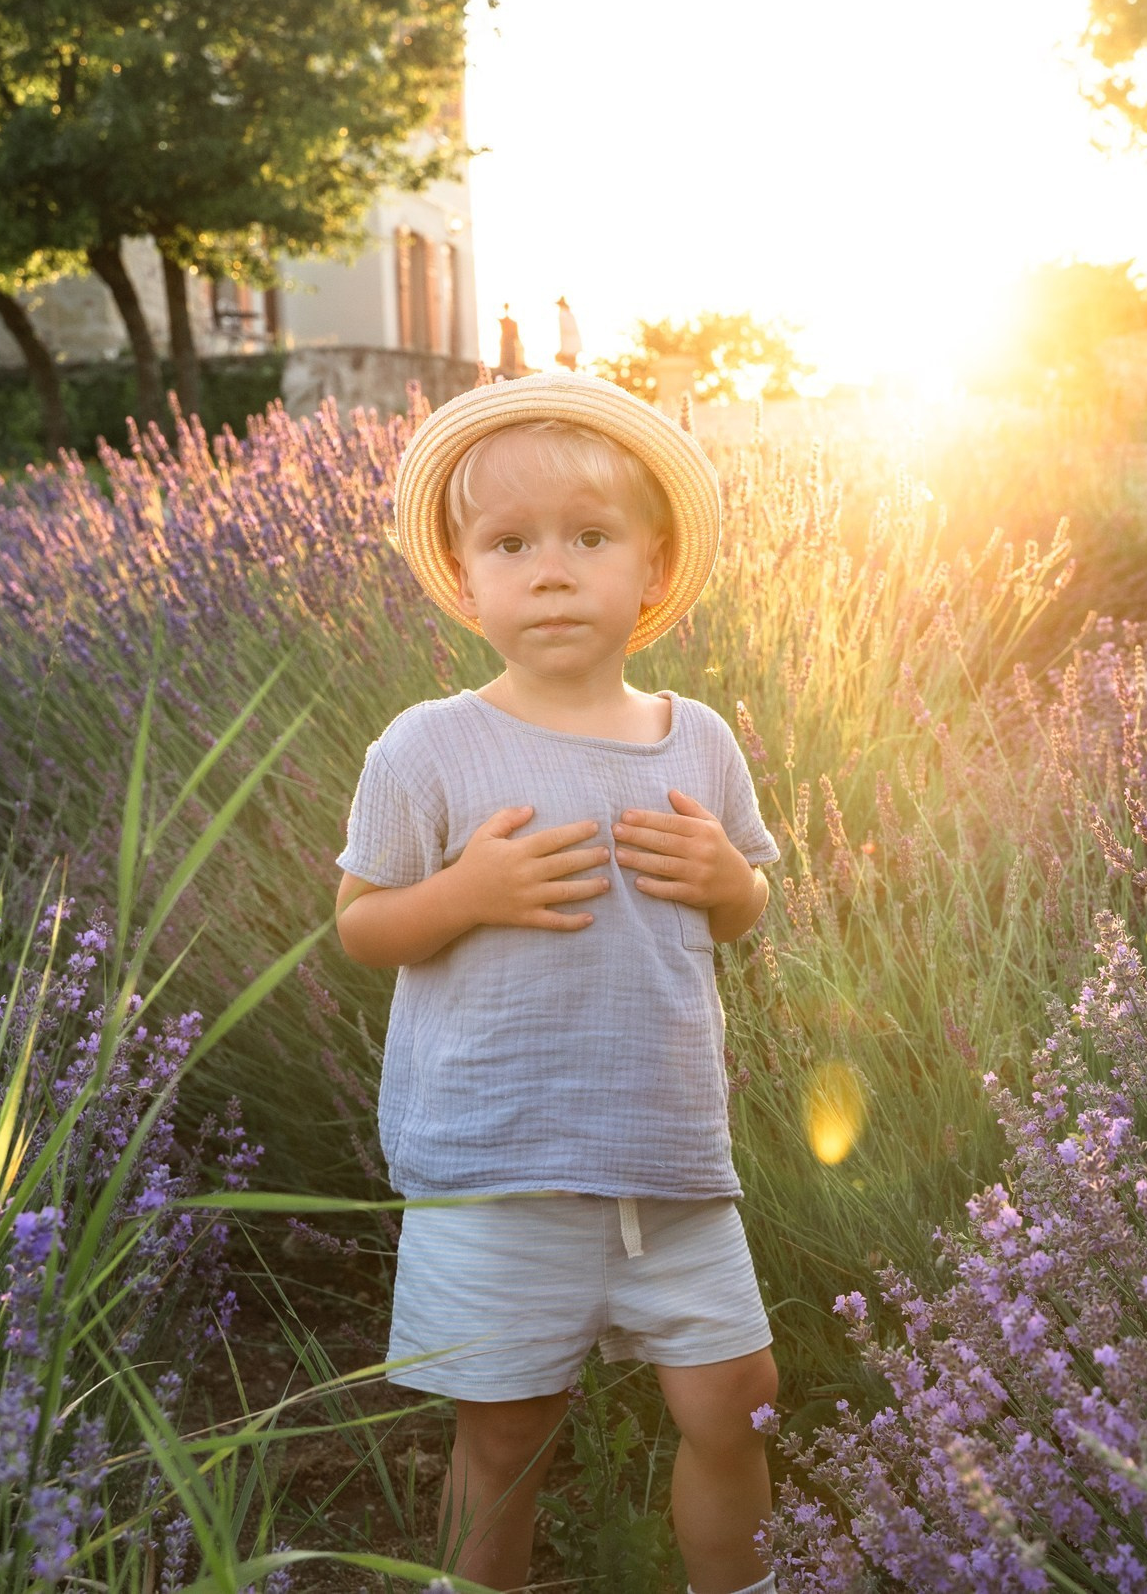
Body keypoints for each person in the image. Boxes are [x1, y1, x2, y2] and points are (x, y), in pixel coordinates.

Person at [335, 373, 779, 1594]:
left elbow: (748, 903)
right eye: (511, 544)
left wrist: (725, 880)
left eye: (589, 539)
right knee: (504, 1430)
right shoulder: (428, 745)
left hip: (671, 1156)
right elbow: (364, 926)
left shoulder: (697, 738)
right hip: (500, 1163)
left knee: (735, 1402)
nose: (549, 570)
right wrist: (463, 896)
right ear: (465, 577)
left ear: (651, 570)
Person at [496, 304, 527, 379]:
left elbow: (516, 337)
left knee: (509, 366)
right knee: (506, 366)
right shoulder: (505, 321)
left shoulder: (511, 322)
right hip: (506, 345)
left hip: (510, 346)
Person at [555, 295, 582, 370]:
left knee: (570, 359)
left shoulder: (564, 314)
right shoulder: (568, 313)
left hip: (569, 341)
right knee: (570, 360)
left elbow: (567, 330)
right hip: (571, 340)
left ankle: (573, 371)